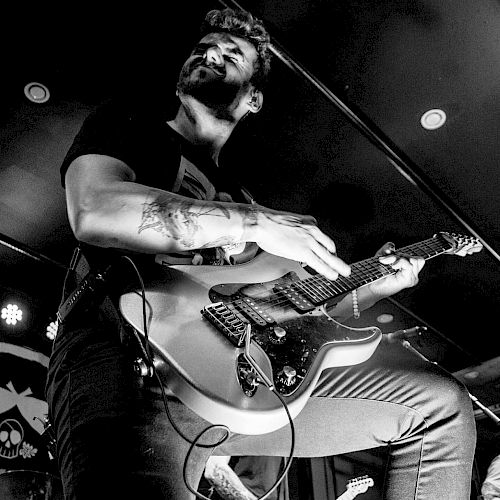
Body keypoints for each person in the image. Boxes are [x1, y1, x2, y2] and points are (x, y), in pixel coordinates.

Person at [45, 7, 476, 500]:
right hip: (126, 353)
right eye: (203, 48)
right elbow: (95, 212)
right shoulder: (128, 126)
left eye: (232, 53)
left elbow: (274, 308)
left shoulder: (240, 196)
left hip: (236, 383)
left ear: (254, 99)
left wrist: (377, 284)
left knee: (438, 406)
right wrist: (255, 223)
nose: (210, 53)